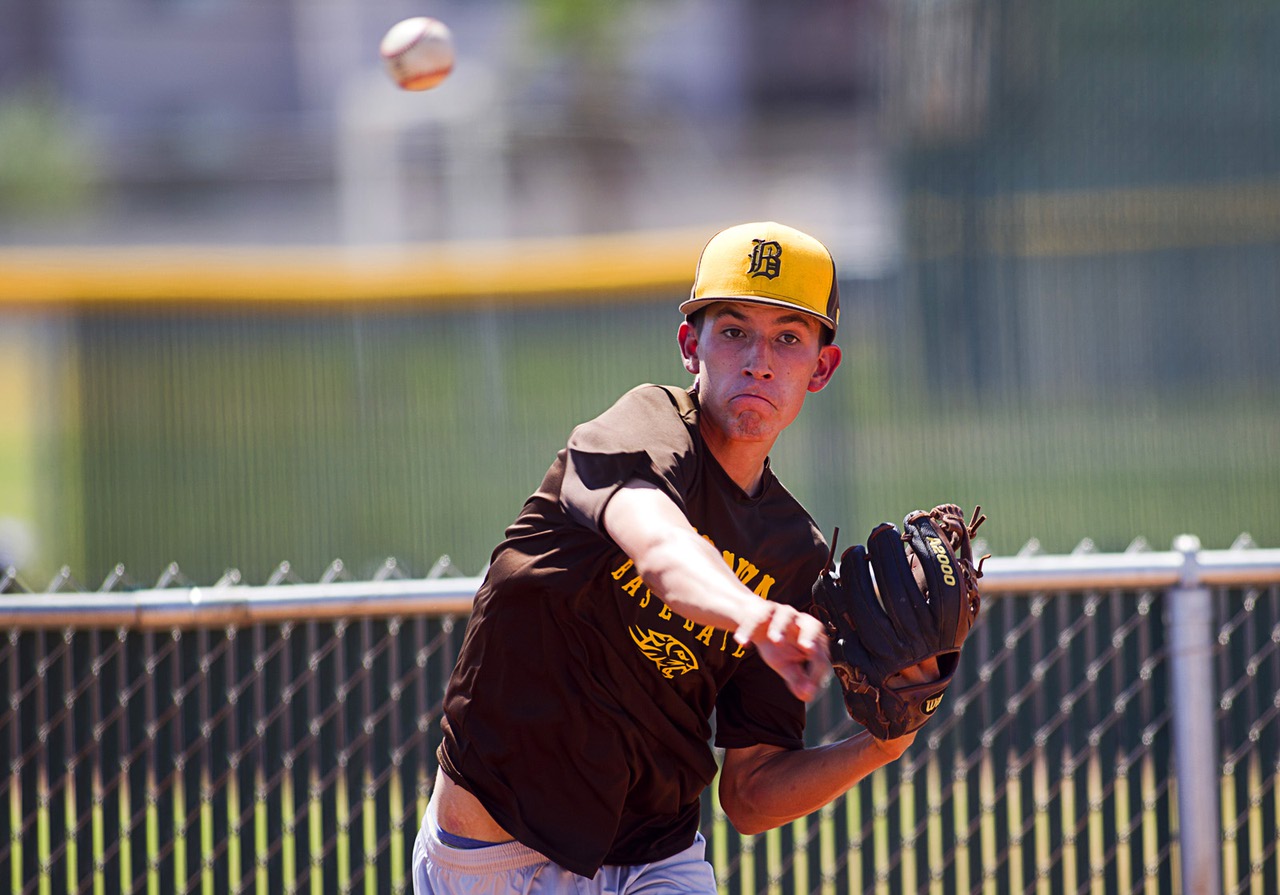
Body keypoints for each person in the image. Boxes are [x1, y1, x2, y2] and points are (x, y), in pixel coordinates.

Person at [413, 221, 925, 894]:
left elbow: (749, 792)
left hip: (658, 855)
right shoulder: (641, 425)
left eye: (789, 337)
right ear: (692, 344)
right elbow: (659, 546)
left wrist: (883, 744)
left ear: (821, 368)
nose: (760, 359)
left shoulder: (790, 551)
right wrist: (753, 613)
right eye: (734, 330)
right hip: (501, 852)